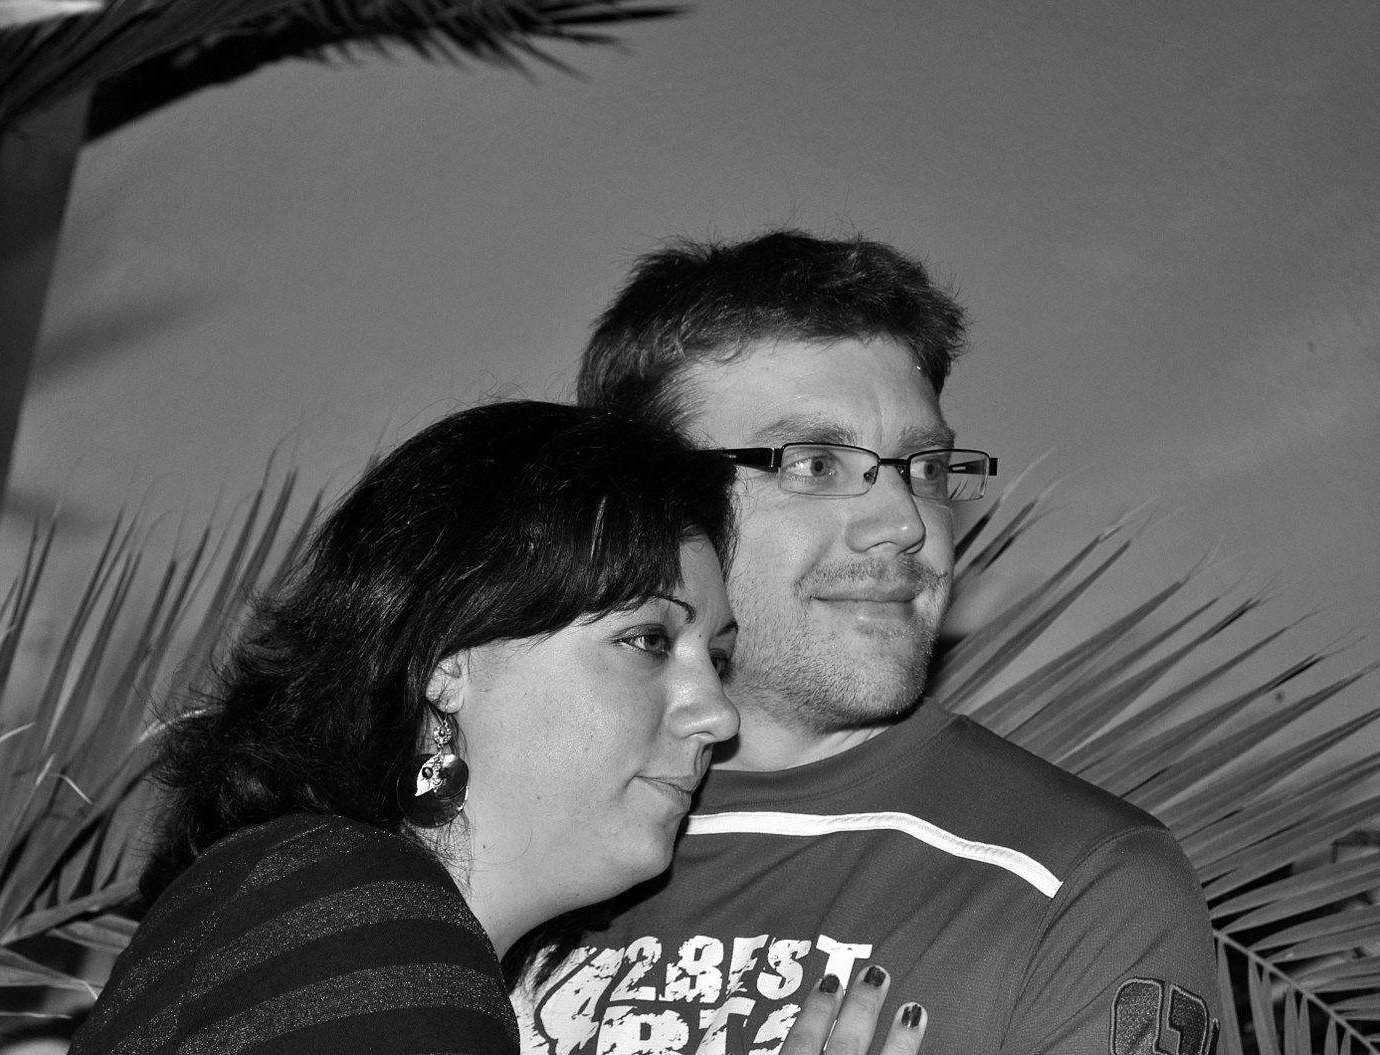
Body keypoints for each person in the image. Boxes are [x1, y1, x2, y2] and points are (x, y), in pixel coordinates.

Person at [513, 233, 1221, 1055]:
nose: (906, 520)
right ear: (646, 505)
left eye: (924, 467)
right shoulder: (502, 846)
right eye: (815, 463)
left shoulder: (1074, 883)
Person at [68, 400, 930, 1055]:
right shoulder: (363, 916)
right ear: (446, 658)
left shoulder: (345, 913)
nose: (717, 712)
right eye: (646, 639)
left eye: (718, 657)